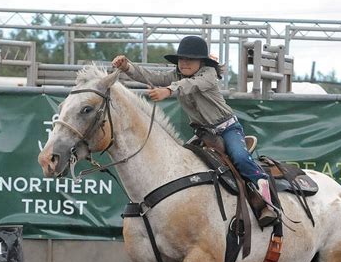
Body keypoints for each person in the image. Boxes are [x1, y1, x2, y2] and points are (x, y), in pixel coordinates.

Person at [112, 36, 278, 227]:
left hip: (227, 130)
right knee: (178, 167)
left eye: (189, 59)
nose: (184, 62)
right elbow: (152, 76)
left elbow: (189, 85)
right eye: (182, 59)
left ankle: (268, 201)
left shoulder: (208, 74)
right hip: (203, 134)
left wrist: (168, 90)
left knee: (240, 158)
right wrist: (127, 67)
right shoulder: (177, 75)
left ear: (202, 62)